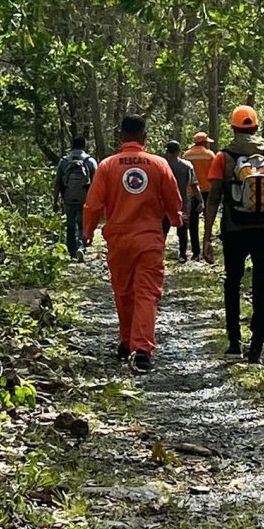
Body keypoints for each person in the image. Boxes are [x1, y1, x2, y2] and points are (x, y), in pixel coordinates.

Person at [83, 115, 183, 374]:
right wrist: (175, 219)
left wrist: (87, 231)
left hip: (118, 240)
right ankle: (142, 348)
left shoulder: (107, 166)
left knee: (123, 292)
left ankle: (127, 341)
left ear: (120, 137)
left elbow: (93, 204)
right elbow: (174, 199)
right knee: (147, 293)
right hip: (149, 239)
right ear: (144, 137)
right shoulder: (159, 164)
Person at [202, 106, 264, 364]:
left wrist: (207, 237)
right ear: (256, 127)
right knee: (262, 286)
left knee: (233, 282)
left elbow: (214, 199)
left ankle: (233, 344)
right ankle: (257, 348)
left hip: (234, 230)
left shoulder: (223, 157)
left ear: (233, 128)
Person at [54, 136, 97, 262]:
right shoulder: (90, 161)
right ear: (84, 145)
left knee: (70, 225)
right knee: (82, 224)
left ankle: (71, 253)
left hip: (68, 198)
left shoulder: (64, 161)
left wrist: (55, 201)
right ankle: (81, 247)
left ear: (72, 146)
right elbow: (97, 183)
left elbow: (57, 183)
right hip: (85, 198)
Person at [162, 140, 200, 263]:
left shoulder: (161, 165)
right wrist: (201, 200)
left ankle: (158, 253)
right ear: (179, 151)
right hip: (182, 203)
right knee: (182, 230)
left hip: (163, 205)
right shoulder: (187, 166)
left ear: (166, 151)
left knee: (162, 230)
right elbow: (194, 185)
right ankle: (182, 254)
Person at [183, 131, 216, 259]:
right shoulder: (209, 155)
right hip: (207, 191)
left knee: (193, 222)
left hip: (192, 192)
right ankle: (207, 246)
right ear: (204, 142)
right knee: (209, 220)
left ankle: (195, 252)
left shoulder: (186, 155)